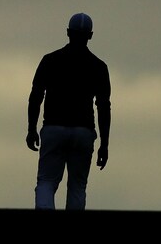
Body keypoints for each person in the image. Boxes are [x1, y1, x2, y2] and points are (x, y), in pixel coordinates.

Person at [26, 13, 111, 210]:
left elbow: (36, 96)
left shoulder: (50, 60)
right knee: (77, 186)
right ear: (90, 35)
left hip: (54, 127)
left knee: (46, 181)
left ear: (67, 33)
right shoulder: (99, 67)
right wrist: (104, 144)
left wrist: (31, 128)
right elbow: (103, 106)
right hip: (83, 131)